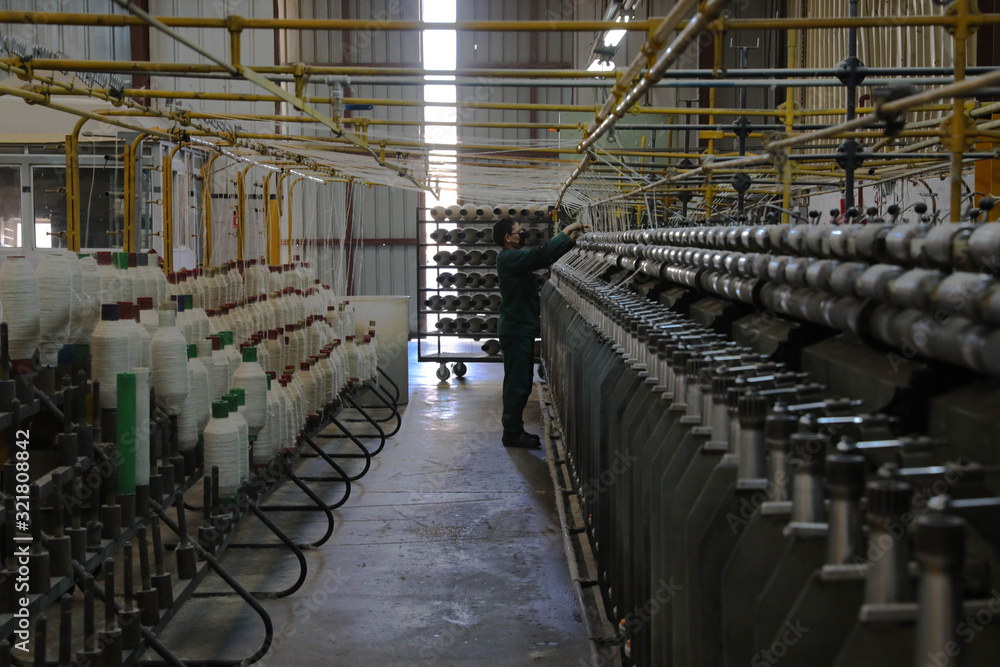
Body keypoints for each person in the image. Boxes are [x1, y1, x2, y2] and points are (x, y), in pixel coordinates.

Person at [492, 216, 588, 448]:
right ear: (508, 238)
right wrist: (565, 233)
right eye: (519, 231)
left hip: (519, 327)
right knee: (517, 382)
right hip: (515, 330)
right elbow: (540, 255)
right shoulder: (508, 258)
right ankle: (512, 432)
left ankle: (513, 429)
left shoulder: (512, 258)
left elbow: (543, 256)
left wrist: (567, 242)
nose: (523, 233)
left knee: (521, 381)